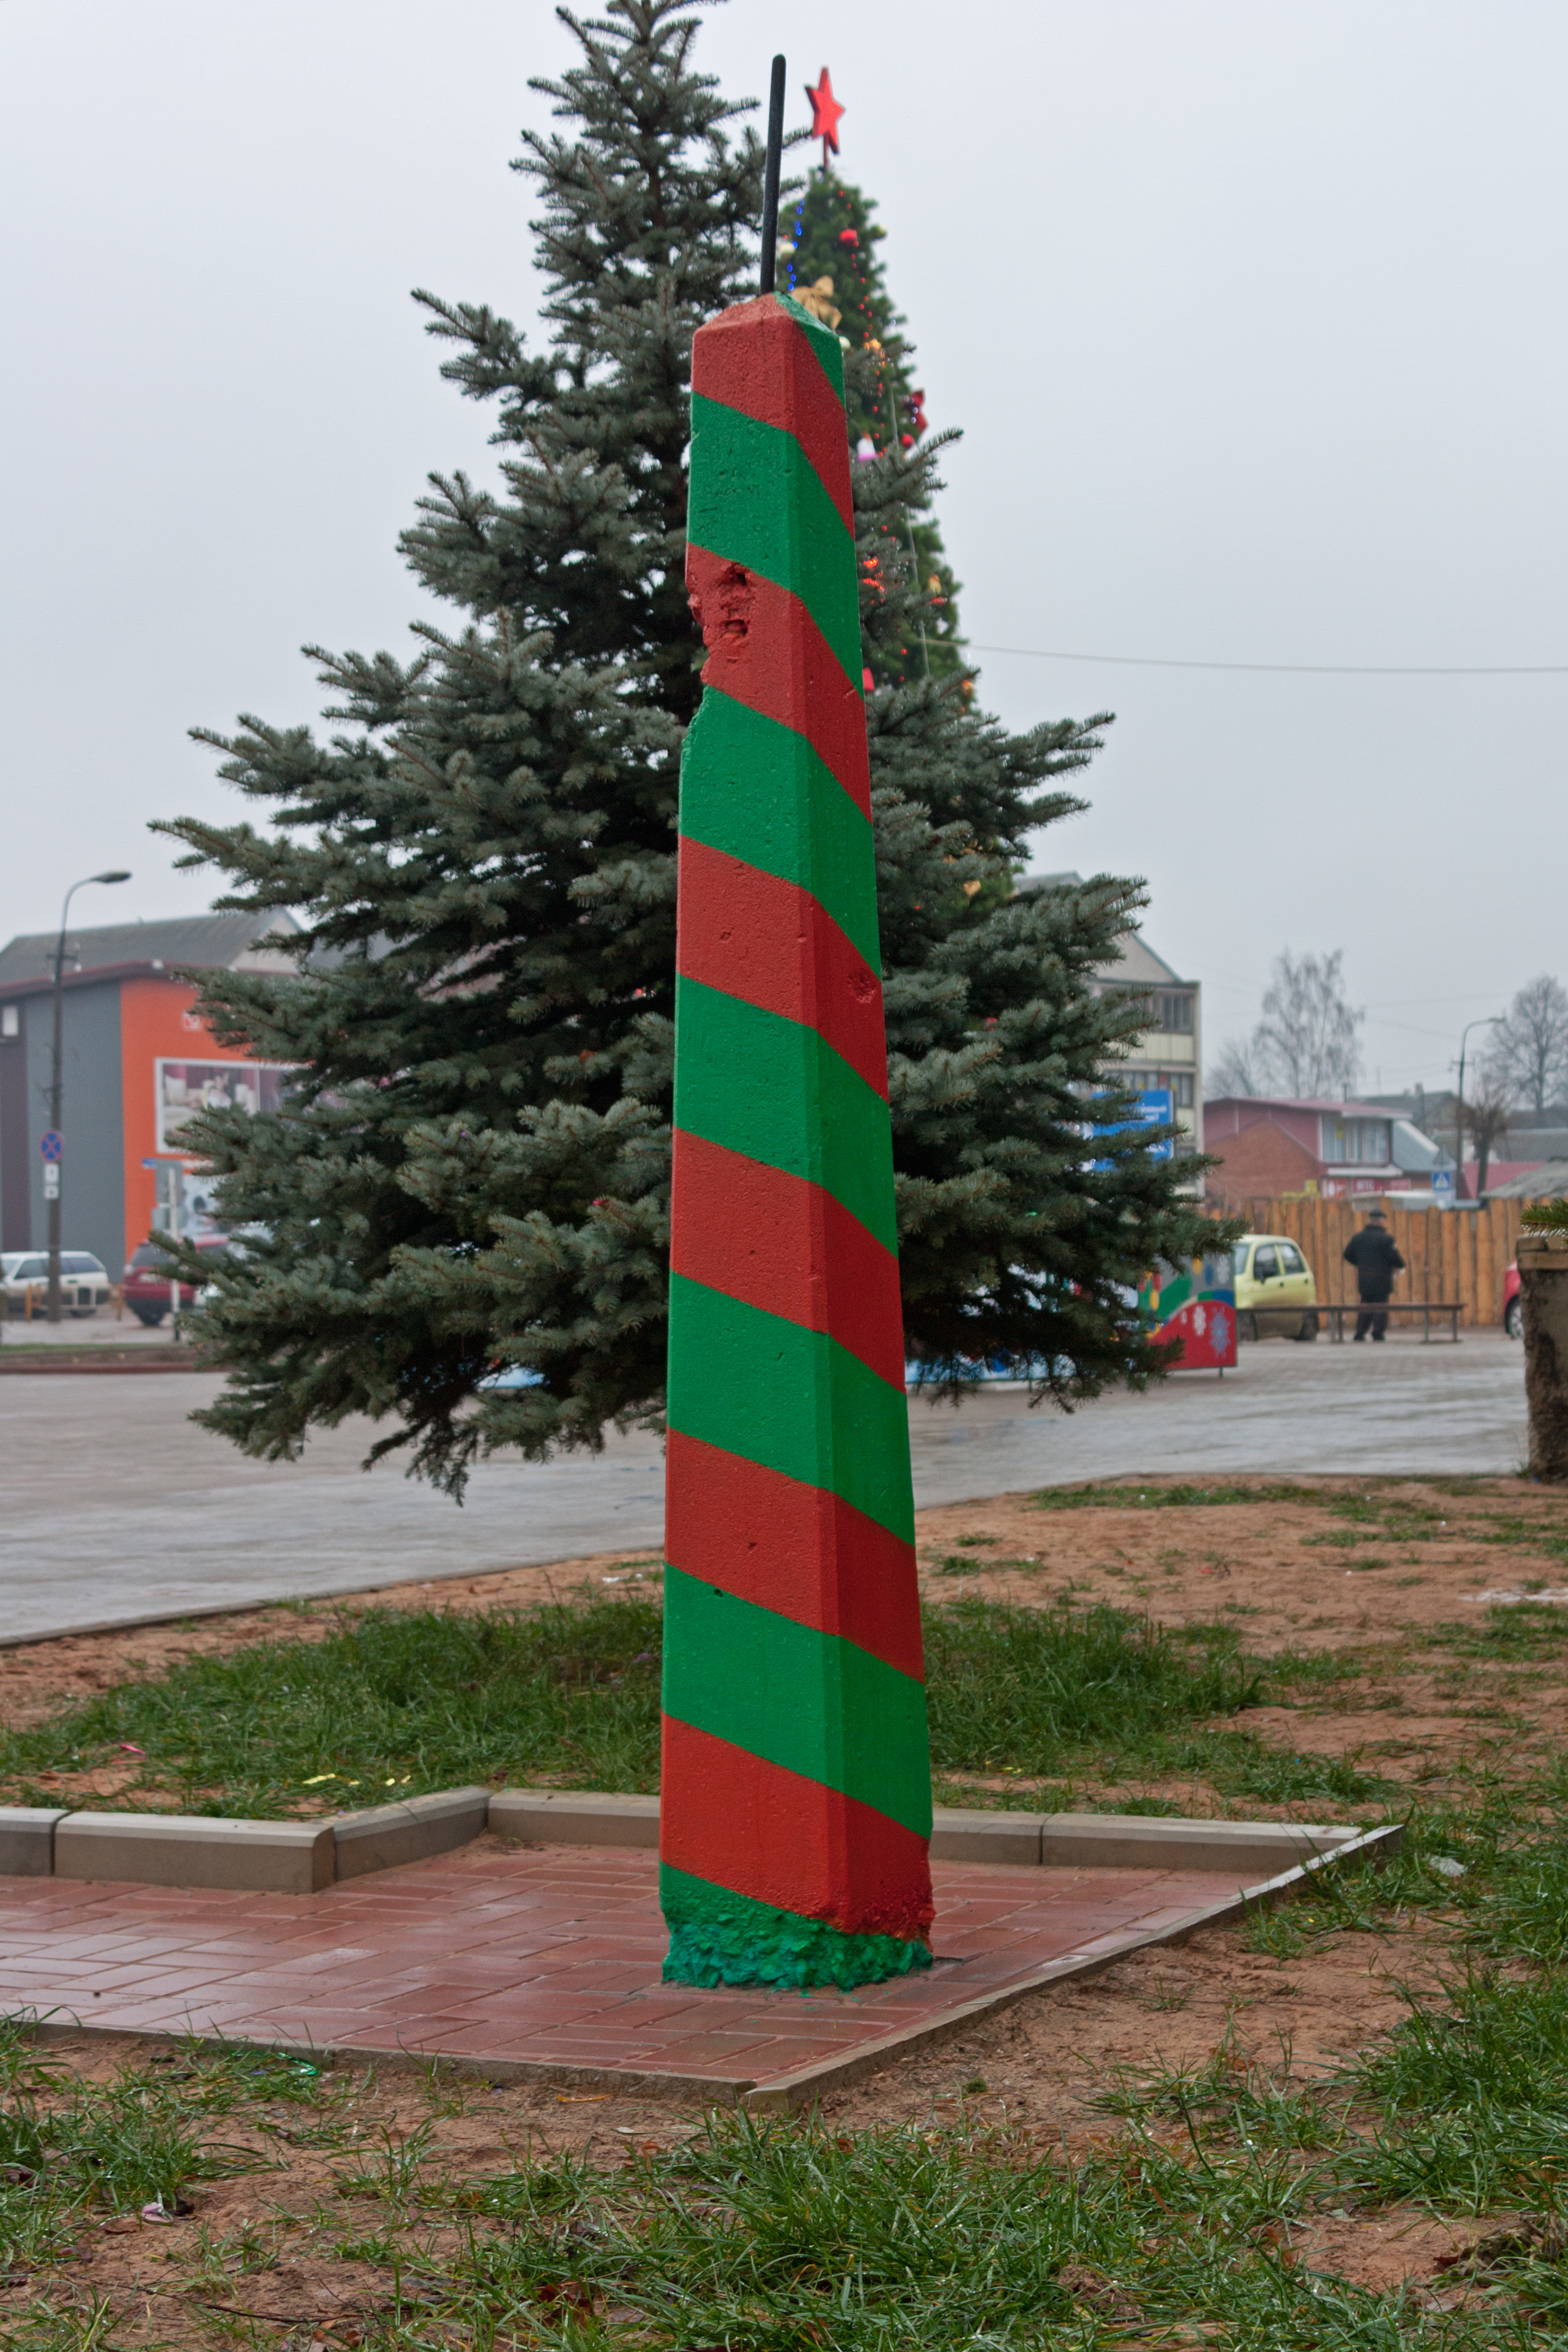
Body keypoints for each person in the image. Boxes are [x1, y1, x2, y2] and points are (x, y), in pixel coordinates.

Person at [1343, 1206, 1405, 1341]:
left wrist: (1360, 1263)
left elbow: (1347, 1254)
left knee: (1365, 1305)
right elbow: (1394, 1258)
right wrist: (1400, 1265)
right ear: (1382, 1221)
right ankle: (1378, 1332)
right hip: (1382, 1278)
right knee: (1381, 1305)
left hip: (1364, 1277)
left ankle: (1360, 1333)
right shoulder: (1386, 1239)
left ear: (1370, 1220)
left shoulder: (1358, 1238)